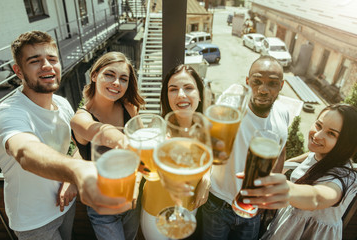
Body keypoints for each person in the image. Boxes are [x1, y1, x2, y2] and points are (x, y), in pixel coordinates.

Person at [0, 31, 132, 239]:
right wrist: (76, 170)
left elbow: (74, 147)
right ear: (18, 71)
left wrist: (70, 180)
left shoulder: (62, 104)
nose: (47, 66)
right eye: (35, 61)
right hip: (33, 220)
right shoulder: (8, 112)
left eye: (52, 59)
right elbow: (25, 152)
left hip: (65, 205)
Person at [199, 55, 290, 240]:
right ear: (248, 82)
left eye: (272, 84)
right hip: (218, 202)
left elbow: (281, 150)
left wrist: (271, 194)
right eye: (257, 82)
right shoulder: (232, 111)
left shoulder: (283, 113)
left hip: (252, 207)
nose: (263, 90)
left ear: (281, 86)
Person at [245, 103, 357, 240]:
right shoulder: (321, 153)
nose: (317, 135)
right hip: (285, 227)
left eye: (331, 133)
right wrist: (285, 166)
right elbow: (310, 156)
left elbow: (317, 198)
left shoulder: (343, 178)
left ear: (346, 143)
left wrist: (285, 188)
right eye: (319, 125)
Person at [70, 51, 145, 240]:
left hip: (132, 197)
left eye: (123, 78)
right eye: (109, 74)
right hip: (102, 206)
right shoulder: (80, 118)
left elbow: (143, 140)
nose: (116, 83)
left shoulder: (129, 107)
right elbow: (102, 132)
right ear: (94, 75)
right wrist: (127, 144)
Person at [140, 64, 210, 240]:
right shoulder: (157, 128)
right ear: (167, 97)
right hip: (156, 212)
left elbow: (212, 159)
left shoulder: (206, 130)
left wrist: (207, 178)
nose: (181, 95)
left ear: (200, 95)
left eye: (188, 88)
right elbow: (143, 166)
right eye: (173, 89)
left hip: (189, 208)